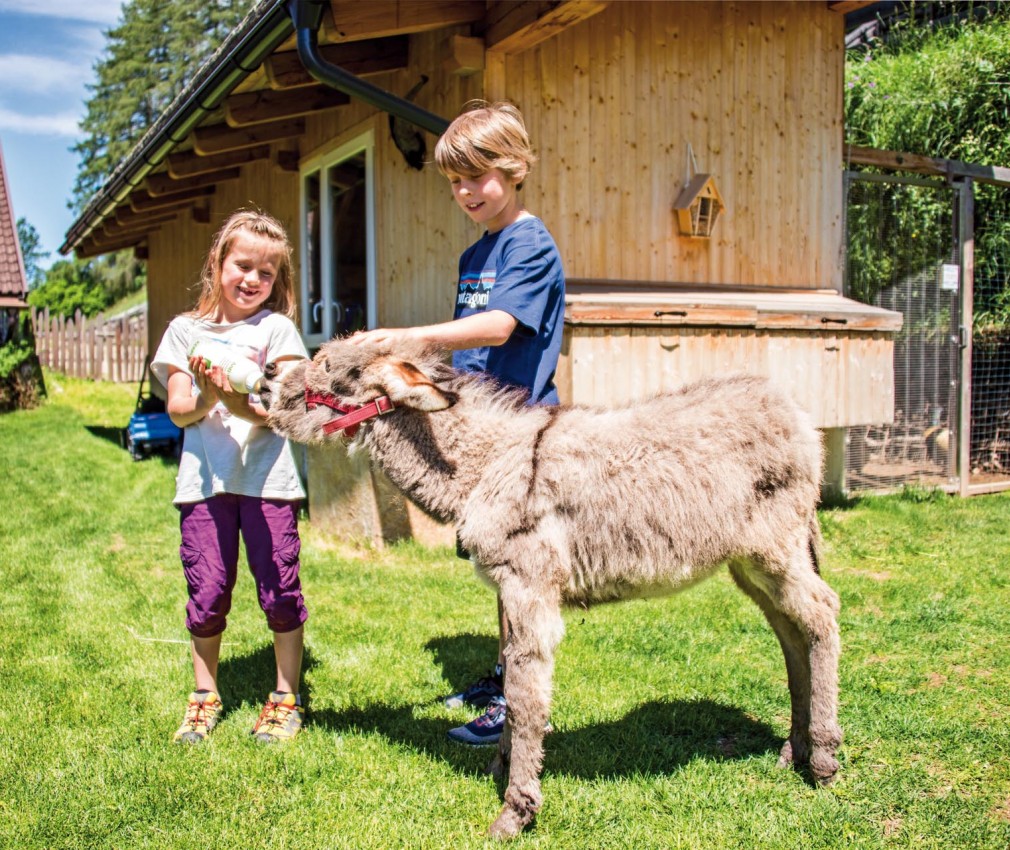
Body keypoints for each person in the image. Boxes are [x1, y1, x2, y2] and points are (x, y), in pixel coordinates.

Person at [347, 101, 566, 746]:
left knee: (519, 570)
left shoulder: (531, 243)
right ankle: (501, 676)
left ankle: (516, 702)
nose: (465, 192)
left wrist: (410, 335)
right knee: (495, 563)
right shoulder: (476, 254)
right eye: (454, 182)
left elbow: (500, 327)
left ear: (515, 167)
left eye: (477, 177)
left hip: (521, 432)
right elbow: (469, 348)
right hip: (479, 428)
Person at [151, 209, 310, 745]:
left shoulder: (277, 330)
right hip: (205, 483)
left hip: (268, 479)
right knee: (209, 587)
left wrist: (233, 400)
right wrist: (208, 395)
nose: (252, 280)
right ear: (218, 264)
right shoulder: (184, 331)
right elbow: (177, 409)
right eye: (242, 266)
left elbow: (282, 409)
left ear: (277, 281)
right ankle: (204, 695)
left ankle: (285, 696)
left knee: (280, 588)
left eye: (266, 274)